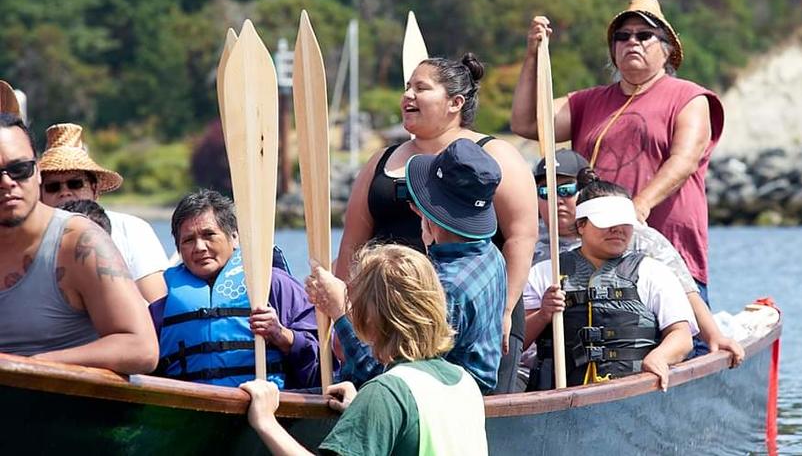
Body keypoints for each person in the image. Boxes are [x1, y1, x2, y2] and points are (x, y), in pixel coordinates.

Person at [335, 54, 537, 394]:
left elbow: (521, 236)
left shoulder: (496, 155)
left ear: (455, 102)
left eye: (421, 88)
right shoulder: (381, 161)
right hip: (389, 316)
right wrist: (343, 312)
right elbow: (353, 244)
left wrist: (504, 310)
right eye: (406, 88)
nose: (407, 96)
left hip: (473, 314)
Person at [511, 0, 724, 305]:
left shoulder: (690, 98)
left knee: (684, 335)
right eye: (622, 37)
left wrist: (637, 207)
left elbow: (684, 160)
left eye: (644, 35)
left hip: (664, 247)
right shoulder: (587, 101)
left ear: (666, 49)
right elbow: (527, 122)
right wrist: (533, 55)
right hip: (594, 251)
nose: (631, 42)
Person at [242, 244, 488, 456]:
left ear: (369, 317)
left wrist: (265, 421)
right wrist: (360, 410)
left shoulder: (385, 394)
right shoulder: (464, 383)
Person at [311, 138, 507, 394]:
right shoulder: (491, 255)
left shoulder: (443, 289)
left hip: (438, 407)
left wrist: (340, 310)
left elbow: (390, 379)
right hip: (467, 399)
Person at [0, 113, 158, 373]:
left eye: (20, 170)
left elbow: (142, 348)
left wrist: (32, 366)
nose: (7, 183)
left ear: (36, 172)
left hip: (68, 409)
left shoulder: (82, 241)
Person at [523, 176, 696, 390]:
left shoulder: (653, 272)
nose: (617, 229)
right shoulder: (545, 273)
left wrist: (659, 357)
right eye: (607, 221)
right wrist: (543, 314)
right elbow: (516, 342)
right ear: (581, 226)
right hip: (560, 396)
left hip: (630, 394)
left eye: (624, 222)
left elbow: (682, 335)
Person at [149, 189, 320, 389]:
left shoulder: (274, 285)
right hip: (190, 409)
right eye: (188, 240)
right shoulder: (166, 300)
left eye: (209, 235)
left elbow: (325, 365)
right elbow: (146, 362)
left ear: (235, 237)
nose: (199, 247)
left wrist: (283, 335)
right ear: (178, 249)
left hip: (266, 405)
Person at [37, 123, 170, 302]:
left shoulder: (132, 229)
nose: (65, 192)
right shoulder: (30, 239)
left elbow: (157, 303)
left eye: (75, 184)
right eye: (53, 187)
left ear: (95, 189)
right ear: (40, 195)